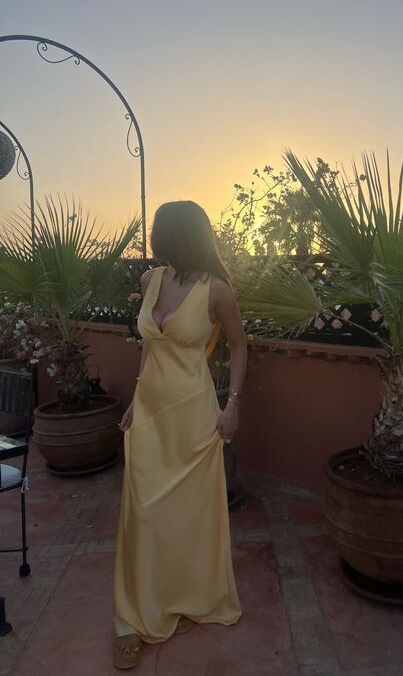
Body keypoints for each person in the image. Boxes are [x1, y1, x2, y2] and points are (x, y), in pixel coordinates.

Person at [113, 201, 246, 670]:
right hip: (151, 414)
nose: (153, 237)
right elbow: (150, 346)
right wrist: (135, 398)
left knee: (187, 514)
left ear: (178, 235)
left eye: (159, 230)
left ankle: (181, 597)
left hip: (193, 415)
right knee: (143, 513)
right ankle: (131, 619)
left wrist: (232, 406)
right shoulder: (149, 280)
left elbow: (239, 346)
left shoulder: (217, 290)